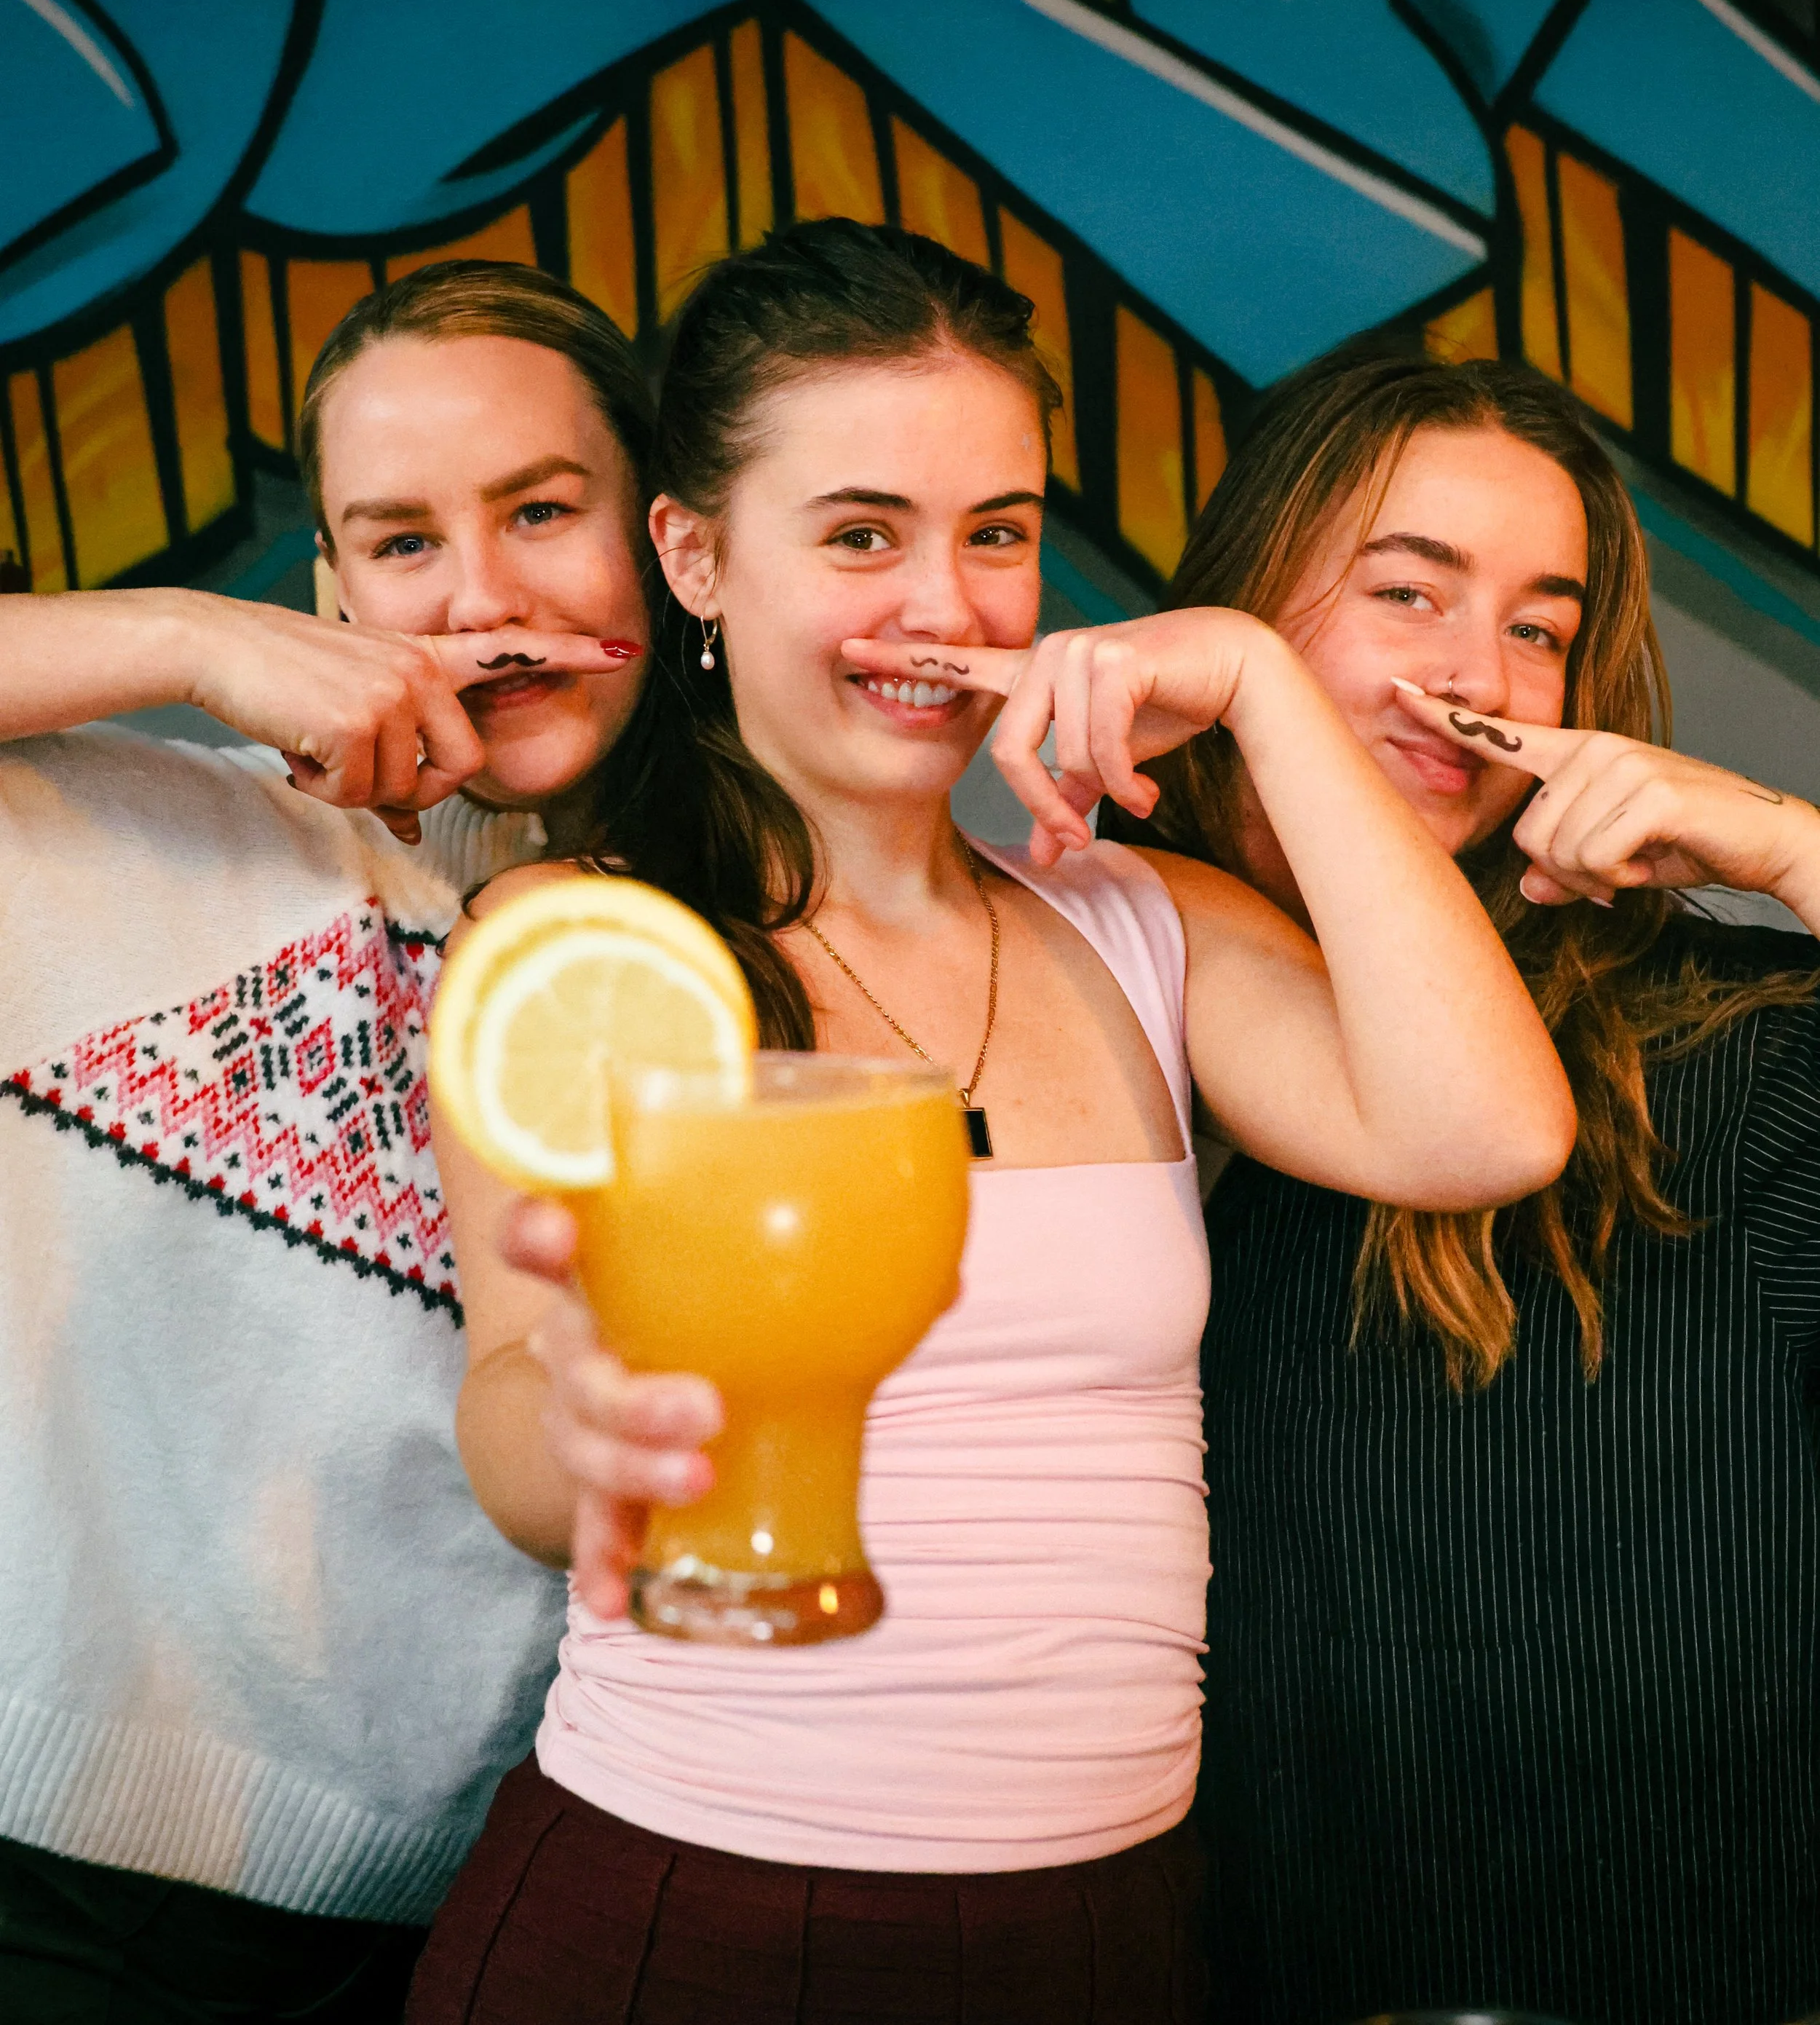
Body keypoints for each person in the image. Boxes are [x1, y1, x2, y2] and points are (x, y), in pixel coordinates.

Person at [405, 221, 1574, 2024]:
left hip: (1106, 1931)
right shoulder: (585, 953)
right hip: (686, 1911)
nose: (944, 609)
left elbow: (1483, 1129)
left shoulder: (1143, 923)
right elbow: (511, 1412)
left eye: (997, 534)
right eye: (860, 534)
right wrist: (585, 1427)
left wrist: (1257, 681)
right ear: (696, 554)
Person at [1104, 347, 1820, 2025]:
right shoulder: (1082, 1001)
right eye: (1406, 591)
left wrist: (1795, 845)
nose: (1474, 676)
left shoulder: (1726, 1057)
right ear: (1235, 612)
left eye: (1536, 627)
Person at [0, 261, 653, 2021]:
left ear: (666, 539)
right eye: (401, 539)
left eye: (542, 510)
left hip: (516, 1908)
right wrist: (183, 636)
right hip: (54, 1895)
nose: (483, 594)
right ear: (327, 596)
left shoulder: (753, 942)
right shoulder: (131, 838)